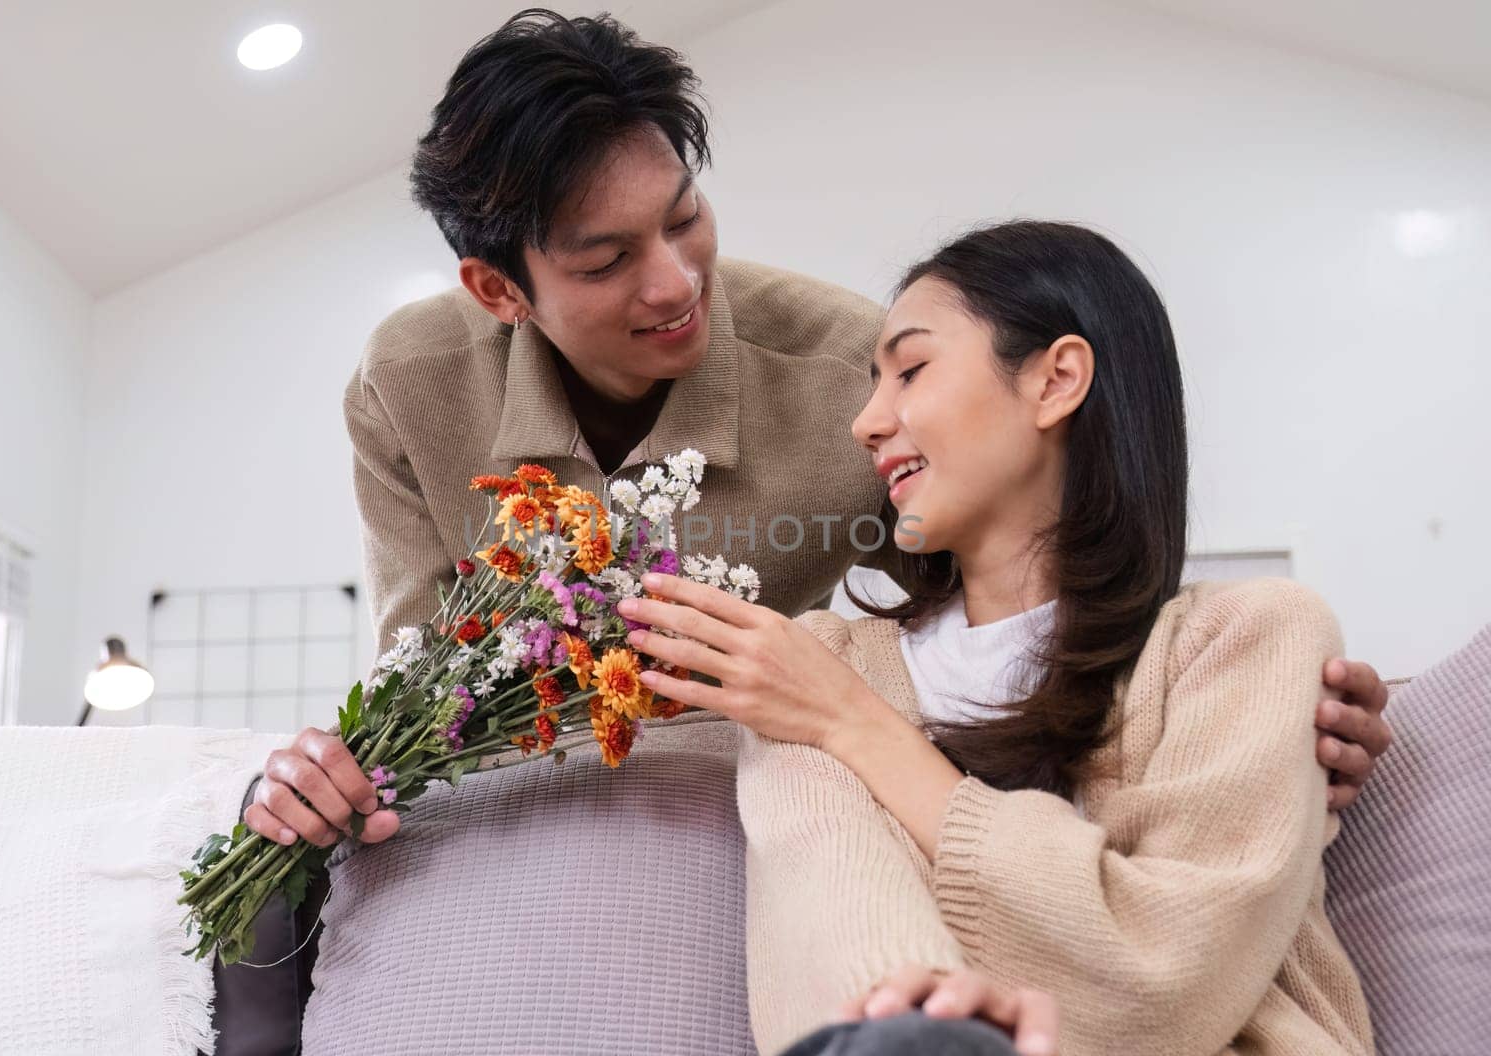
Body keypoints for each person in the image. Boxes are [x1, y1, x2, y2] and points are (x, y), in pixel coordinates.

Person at [225, 11, 1392, 1052]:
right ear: (502, 292)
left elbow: (1040, 608)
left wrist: (1274, 728)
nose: (677, 280)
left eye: (685, 219)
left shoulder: (836, 382)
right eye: (608, 259)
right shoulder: (413, 387)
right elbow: (430, 679)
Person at [620, 221, 1375, 1054]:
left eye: (910, 370)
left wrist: (856, 727)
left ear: (1057, 380)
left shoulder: (1250, 637)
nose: (866, 422)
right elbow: (840, 930)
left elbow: (1159, 980)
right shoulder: (824, 663)